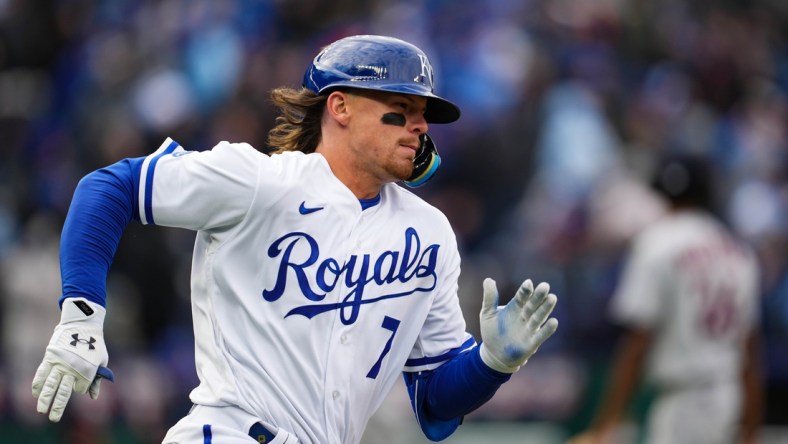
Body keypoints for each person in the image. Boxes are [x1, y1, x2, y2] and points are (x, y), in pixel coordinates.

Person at [31, 35, 559, 444]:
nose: (419, 126)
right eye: (400, 108)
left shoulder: (429, 233)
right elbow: (109, 187)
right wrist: (81, 312)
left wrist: (493, 363)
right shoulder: (261, 181)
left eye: (425, 114)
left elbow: (436, 400)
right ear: (341, 107)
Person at [569, 153, 763, 444]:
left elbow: (638, 340)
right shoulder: (738, 251)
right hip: (728, 396)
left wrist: (606, 422)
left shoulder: (656, 243)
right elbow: (751, 351)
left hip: (682, 400)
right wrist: (750, 431)